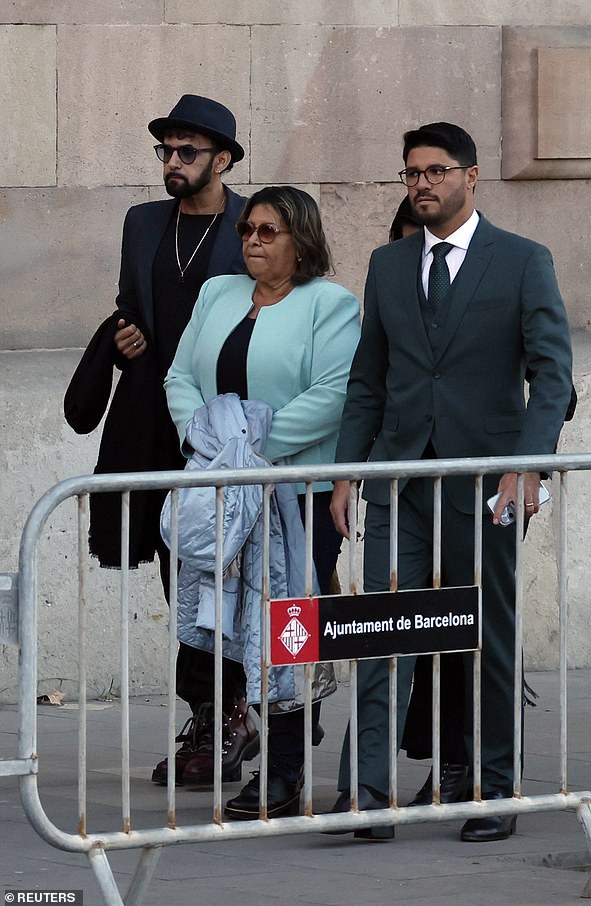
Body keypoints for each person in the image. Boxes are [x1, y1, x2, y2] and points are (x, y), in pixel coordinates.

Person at [329, 122, 573, 842]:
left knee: (488, 637)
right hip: (400, 481)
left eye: (436, 171)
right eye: (412, 173)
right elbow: (367, 382)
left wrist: (524, 465)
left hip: (484, 485)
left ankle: (495, 790)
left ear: (471, 177)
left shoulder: (524, 261)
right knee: (381, 635)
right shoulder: (387, 264)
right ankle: (371, 799)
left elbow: (552, 376)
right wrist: (347, 475)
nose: (423, 184)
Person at [64, 94, 253, 788]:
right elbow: (131, 300)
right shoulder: (143, 223)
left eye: (187, 152)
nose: (172, 163)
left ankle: (233, 712)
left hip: (226, 427)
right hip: (151, 421)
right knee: (183, 572)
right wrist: (126, 334)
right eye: (165, 151)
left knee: (225, 572)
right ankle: (214, 710)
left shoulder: (253, 224)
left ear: (223, 159)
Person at [164, 185, 361, 819]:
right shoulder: (216, 294)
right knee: (231, 627)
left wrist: (246, 449)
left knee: (286, 632)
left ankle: (283, 775)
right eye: (247, 229)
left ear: (300, 240)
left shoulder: (330, 305)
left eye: (268, 231)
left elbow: (332, 394)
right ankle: (262, 740)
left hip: (293, 494)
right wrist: (217, 448)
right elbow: (179, 377)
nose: (251, 240)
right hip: (221, 488)